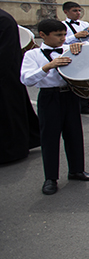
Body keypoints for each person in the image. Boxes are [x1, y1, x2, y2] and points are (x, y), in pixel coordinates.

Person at [20, 19, 89, 195]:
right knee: (50, 138)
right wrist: (47, 67)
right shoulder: (32, 55)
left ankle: (77, 170)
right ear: (43, 36)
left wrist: (81, 47)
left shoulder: (71, 49)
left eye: (63, 35)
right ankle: (50, 178)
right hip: (49, 97)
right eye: (58, 35)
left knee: (74, 134)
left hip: (70, 95)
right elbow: (26, 79)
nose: (62, 39)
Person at [0, 8, 40, 163]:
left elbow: (5, 53)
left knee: (9, 116)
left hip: (6, 79)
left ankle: (12, 152)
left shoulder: (4, 20)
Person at [62, 1, 89, 115]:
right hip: (71, 56)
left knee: (84, 80)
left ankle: (85, 106)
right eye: (75, 11)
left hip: (85, 56)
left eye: (79, 10)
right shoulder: (62, 25)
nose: (78, 13)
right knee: (72, 81)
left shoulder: (84, 24)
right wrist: (74, 36)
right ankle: (73, 106)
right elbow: (59, 41)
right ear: (66, 12)